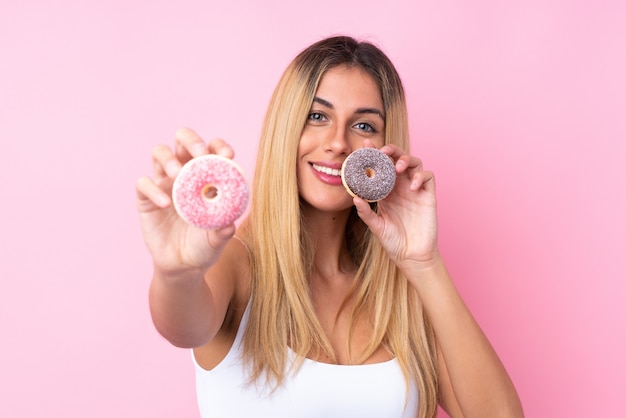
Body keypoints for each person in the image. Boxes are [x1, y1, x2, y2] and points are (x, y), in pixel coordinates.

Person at [136, 35, 523, 418]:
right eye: (317, 116)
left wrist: (424, 263)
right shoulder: (238, 265)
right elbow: (182, 327)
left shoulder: (401, 295)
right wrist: (177, 273)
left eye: (365, 126)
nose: (338, 143)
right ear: (286, 128)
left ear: (385, 148)